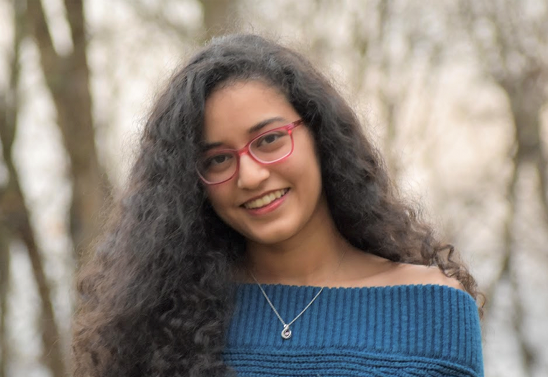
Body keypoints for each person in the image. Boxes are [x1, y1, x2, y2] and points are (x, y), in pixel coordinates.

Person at [72, 34, 484, 377]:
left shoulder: (433, 310)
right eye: (217, 159)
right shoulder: (162, 325)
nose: (249, 176)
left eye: (269, 140)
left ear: (319, 136)